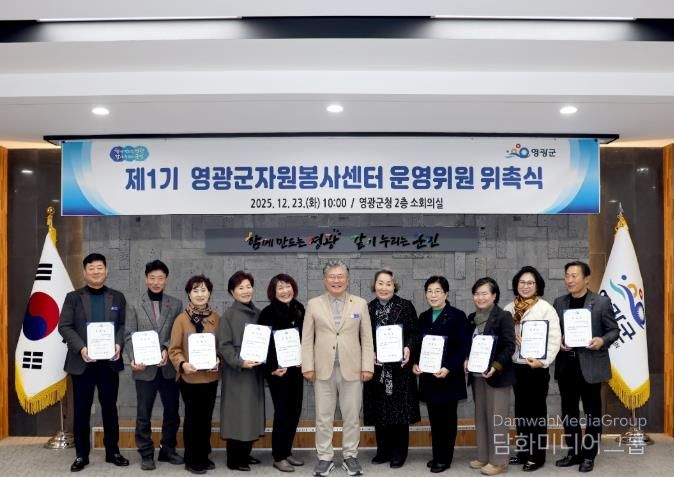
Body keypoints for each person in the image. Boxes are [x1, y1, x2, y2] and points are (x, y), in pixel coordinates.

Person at [301, 260, 374, 477]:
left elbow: (367, 338)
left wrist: (367, 366)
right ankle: (325, 457)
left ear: (347, 279)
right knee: (323, 417)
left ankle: (350, 455)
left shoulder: (360, 304)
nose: (336, 280)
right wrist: (308, 366)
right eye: (332, 277)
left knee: (352, 416)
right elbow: (307, 339)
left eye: (340, 276)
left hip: (353, 369)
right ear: (325, 280)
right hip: (323, 370)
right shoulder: (313, 304)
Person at [58, 253, 130, 472]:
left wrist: (118, 344)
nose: (96, 271)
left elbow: (123, 325)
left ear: (106, 271)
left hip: (109, 363)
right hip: (82, 363)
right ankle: (81, 455)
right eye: (91, 268)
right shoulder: (73, 297)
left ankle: (113, 451)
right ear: (84, 272)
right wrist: (82, 348)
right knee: (81, 410)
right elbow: (65, 326)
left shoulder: (117, 297)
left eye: (100, 267)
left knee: (110, 408)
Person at [553, 261, 619, 473]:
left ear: (587, 278)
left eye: (574, 276)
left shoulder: (601, 302)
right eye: (567, 276)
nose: (569, 280)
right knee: (569, 412)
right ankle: (574, 453)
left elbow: (614, 330)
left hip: (591, 366)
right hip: (566, 366)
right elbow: (555, 332)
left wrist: (602, 340)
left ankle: (589, 455)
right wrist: (559, 341)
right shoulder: (559, 302)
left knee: (592, 413)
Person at [125, 259, 184, 470]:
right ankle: (146, 453)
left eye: (160, 278)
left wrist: (166, 348)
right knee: (144, 413)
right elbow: (128, 335)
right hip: (144, 369)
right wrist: (134, 357)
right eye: (152, 278)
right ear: (145, 279)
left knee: (172, 412)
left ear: (166, 280)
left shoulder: (176, 304)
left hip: (168, 368)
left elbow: (177, 334)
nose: (156, 282)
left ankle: (168, 449)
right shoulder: (134, 303)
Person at [503, 266, 561, 472]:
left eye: (530, 283)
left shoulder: (546, 308)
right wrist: (511, 338)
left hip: (536, 368)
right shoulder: (509, 308)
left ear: (537, 286)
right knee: (520, 411)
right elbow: (503, 336)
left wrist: (543, 362)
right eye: (522, 282)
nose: (525, 286)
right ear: (516, 284)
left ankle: (537, 456)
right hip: (516, 367)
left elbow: (554, 339)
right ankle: (523, 452)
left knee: (536, 412)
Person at [412, 276, 470, 474]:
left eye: (438, 291)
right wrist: (415, 363)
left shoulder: (457, 316)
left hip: (448, 377)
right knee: (435, 420)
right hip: (429, 377)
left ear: (446, 294)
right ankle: (438, 455)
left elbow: (463, 347)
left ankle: (445, 458)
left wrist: (448, 368)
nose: (433, 295)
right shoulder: (423, 316)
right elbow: (418, 345)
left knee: (447, 420)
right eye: (429, 291)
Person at [363, 269, 420, 469]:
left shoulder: (405, 306)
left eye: (388, 283)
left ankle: (399, 453)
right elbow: (361, 337)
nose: (384, 287)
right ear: (374, 285)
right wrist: (368, 352)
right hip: (377, 369)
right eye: (380, 283)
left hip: (400, 370)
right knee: (380, 412)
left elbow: (414, 333)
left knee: (399, 413)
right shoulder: (367, 308)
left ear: (394, 286)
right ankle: (383, 451)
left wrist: (408, 347)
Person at [169, 275, 221, 475]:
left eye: (203, 290)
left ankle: (203, 455)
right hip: (189, 378)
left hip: (210, 378)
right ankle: (192, 459)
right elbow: (174, 349)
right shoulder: (181, 319)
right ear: (189, 294)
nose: (200, 294)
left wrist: (218, 359)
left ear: (209, 293)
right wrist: (183, 364)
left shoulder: (216, 318)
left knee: (206, 419)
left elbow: (221, 347)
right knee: (193, 420)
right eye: (195, 290)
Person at [466, 277, 516, 476]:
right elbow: (468, 345)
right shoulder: (472, 318)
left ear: (494, 296)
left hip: (497, 376)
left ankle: (499, 461)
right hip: (477, 375)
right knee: (481, 417)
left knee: (497, 419)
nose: (480, 297)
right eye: (477, 294)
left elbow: (509, 346)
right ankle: (484, 456)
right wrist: (466, 359)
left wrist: (496, 366)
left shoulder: (503, 316)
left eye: (484, 293)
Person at [218, 271, 266, 471]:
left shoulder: (259, 313)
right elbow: (224, 346)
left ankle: (245, 453)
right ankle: (234, 458)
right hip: (237, 372)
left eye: (248, 286)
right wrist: (240, 362)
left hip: (255, 371)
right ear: (232, 292)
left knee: (252, 412)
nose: (246, 291)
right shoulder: (228, 316)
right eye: (240, 288)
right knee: (237, 414)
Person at [258, 274, 306, 473]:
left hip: (296, 370)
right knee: (282, 413)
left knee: (295, 411)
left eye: (288, 286)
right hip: (278, 372)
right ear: (273, 292)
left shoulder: (299, 308)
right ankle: (278, 456)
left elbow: (306, 338)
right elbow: (262, 345)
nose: (285, 291)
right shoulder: (267, 313)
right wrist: (271, 367)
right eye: (280, 288)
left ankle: (287, 451)